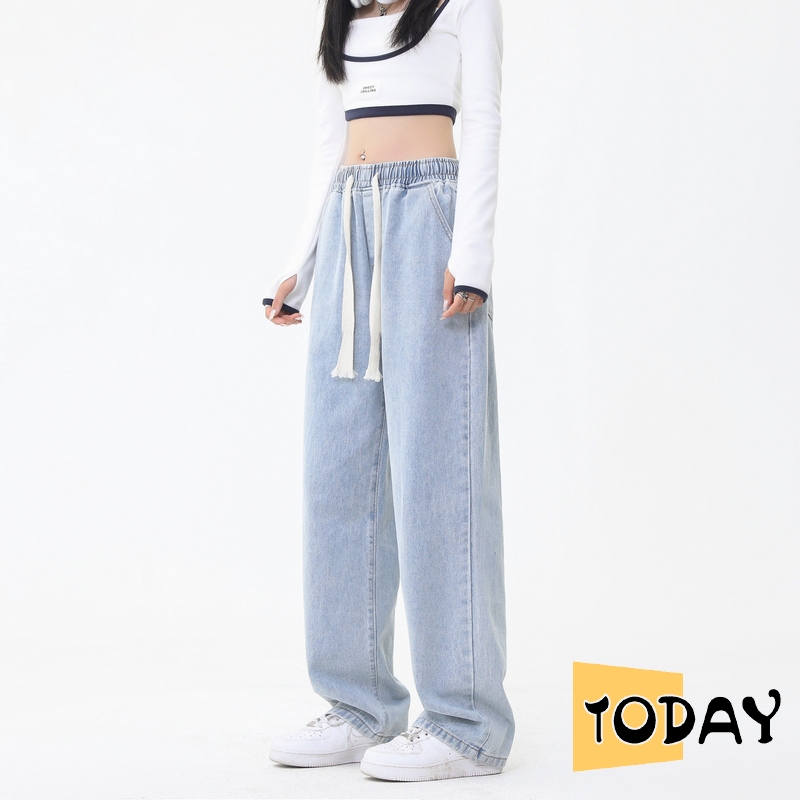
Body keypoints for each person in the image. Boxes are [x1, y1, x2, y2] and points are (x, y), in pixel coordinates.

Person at [262, 0, 512, 782]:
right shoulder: (342, 14)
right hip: (347, 224)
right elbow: (328, 140)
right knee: (339, 470)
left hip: (427, 218)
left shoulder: (464, 4)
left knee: (439, 471)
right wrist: (302, 260)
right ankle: (359, 706)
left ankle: (467, 724)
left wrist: (472, 254)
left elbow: (484, 121)